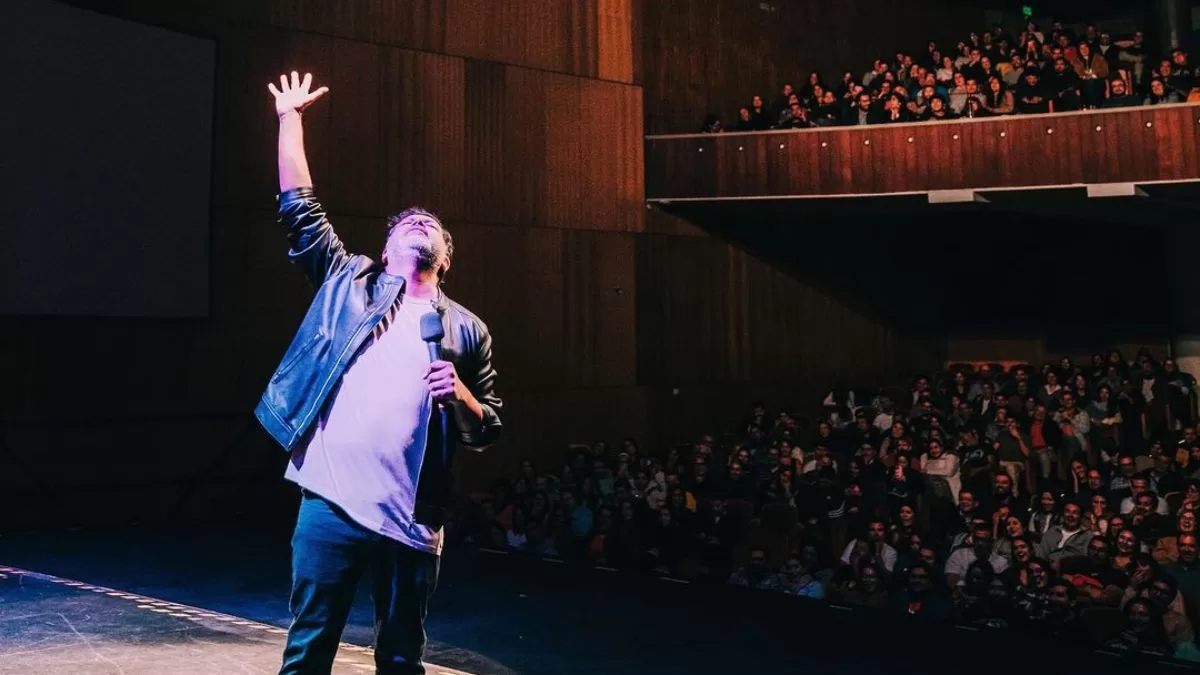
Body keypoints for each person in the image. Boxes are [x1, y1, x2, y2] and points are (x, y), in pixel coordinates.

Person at [260, 71, 504, 675]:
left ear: (443, 258)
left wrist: (465, 400)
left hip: (411, 518)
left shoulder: (467, 331)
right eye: (405, 223)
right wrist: (290, 119)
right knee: (308, 647)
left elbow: (489, 427)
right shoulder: (350, 285)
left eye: (431, 227)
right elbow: (300, 210)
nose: (418, 223)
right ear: (387, 246)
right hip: (331, 505)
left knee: (400, 658)